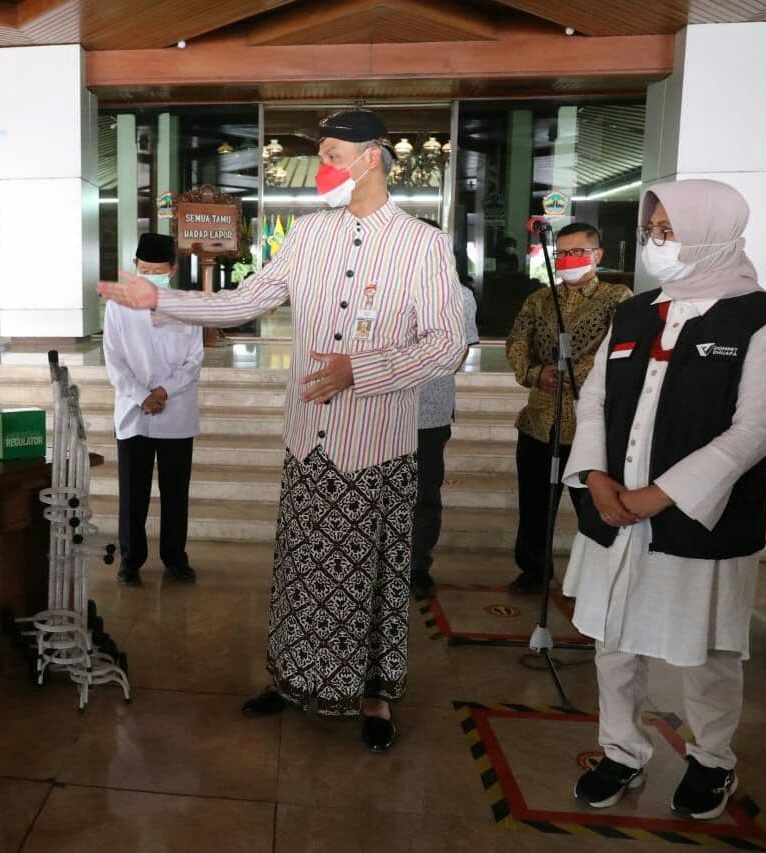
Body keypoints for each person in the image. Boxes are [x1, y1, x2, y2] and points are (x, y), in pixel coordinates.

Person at [98, 109, 467, 752]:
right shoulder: (305, 237)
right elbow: (243, 301)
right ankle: (293, 678)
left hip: (376, 443)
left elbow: (448, 344)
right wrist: (161, 300)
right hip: (309, 440)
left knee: (370, 575)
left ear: (370, 158)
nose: (322, 166)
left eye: (331, 153)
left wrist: (363, 369)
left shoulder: (422, 244)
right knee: (302, 569)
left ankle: (374, 694)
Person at [562, 180, 766, 820]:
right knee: (613, 640)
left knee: (709, 652)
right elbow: (596, 399)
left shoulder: (761, 319)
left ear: (713, 234)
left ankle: (713, 760)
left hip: (701, 514)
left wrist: (660, 494)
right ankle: (620, 749)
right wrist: (595, 475)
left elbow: (758, 429)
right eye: (652, 232)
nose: (656, 244)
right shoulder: (637, 312)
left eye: (668, 231)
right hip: (615, 508)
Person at [504, 223, 631, 594]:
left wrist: (572, 374)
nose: (568, 259)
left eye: (577, 252)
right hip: (539, 420)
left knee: (591, 505)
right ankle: (533, 570)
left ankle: (597, 579)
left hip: (589, 423)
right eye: (561, 253)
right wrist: (533, 372)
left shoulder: (617, 297)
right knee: (534, 503)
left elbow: (619, 351)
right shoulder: (540, 299)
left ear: (597, 255)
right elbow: (516, 342)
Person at [104, 233, 203, 585]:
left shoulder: (186, 305)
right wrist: (140, 395)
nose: (150, 276)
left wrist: (163, 391)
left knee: (176, 492)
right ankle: (131, 559)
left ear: (173, 270)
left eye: (158, 271)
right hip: (134, 412)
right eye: (144, 269)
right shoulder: (117, 304)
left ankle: (175, 557)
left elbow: (194, 361)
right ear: (135, 267)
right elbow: (114, 359)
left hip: (176, 411)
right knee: (133, 492)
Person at [411, 222, 480, 600]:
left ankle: (417, 565)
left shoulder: (460, 296)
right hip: (377, 410)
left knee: (424, 492)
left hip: (430, 411)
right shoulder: (379, 289)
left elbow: (459, 353)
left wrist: (411, 365)